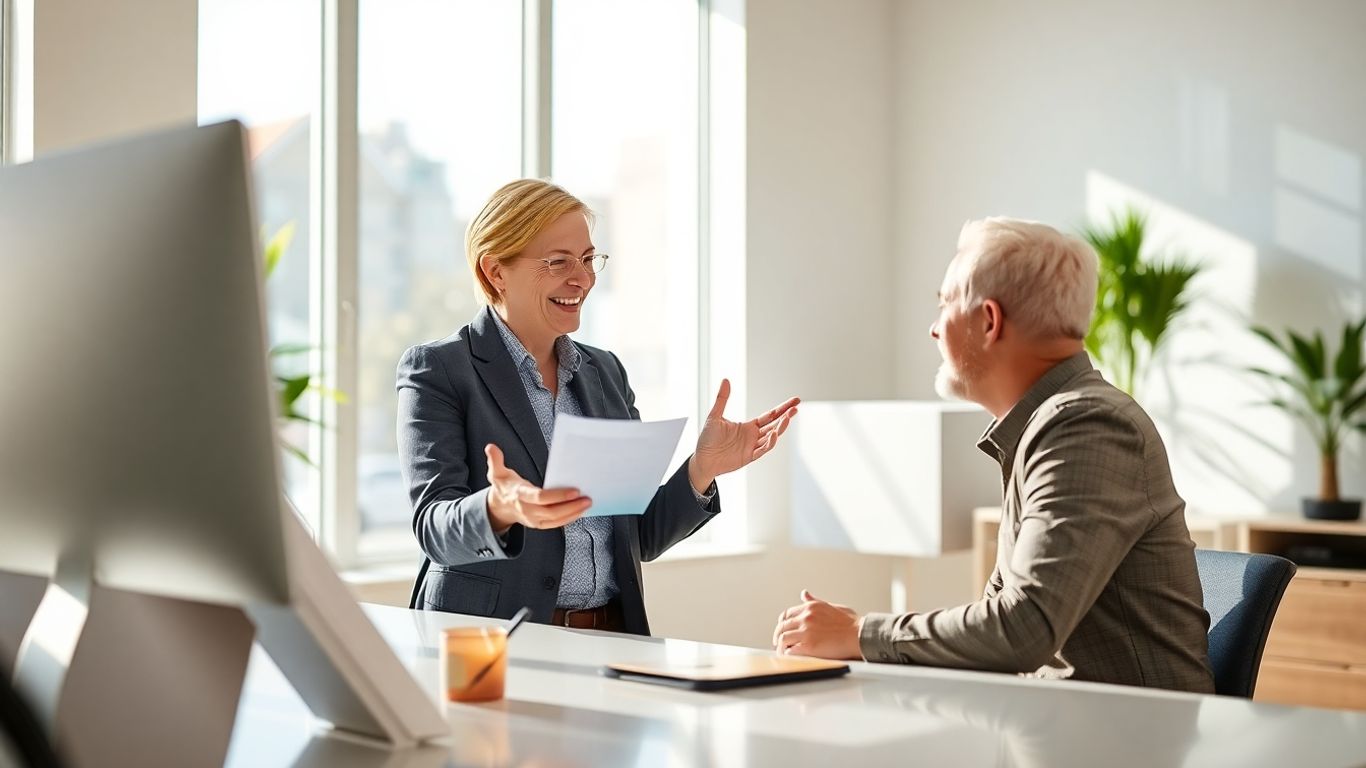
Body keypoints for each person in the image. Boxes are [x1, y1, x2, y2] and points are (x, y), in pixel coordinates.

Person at [773, 217, 1214, 693]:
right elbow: (999, 629)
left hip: (1134, 743)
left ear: (988, 320)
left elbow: (1023, 631)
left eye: (944, 305)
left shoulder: (1086, 427)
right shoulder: (1045, 425)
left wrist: (860, 633)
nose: (933, 329)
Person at [398, 179, 798, 635]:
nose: (582, 278)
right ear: (495, 272)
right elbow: (433, 527)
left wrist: (701, 470)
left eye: (588, 260)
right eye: (558, 262)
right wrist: (498, 507)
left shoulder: (605, 372)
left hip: (609, 634)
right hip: (491, 641)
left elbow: (639, 537)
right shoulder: (440, 369)